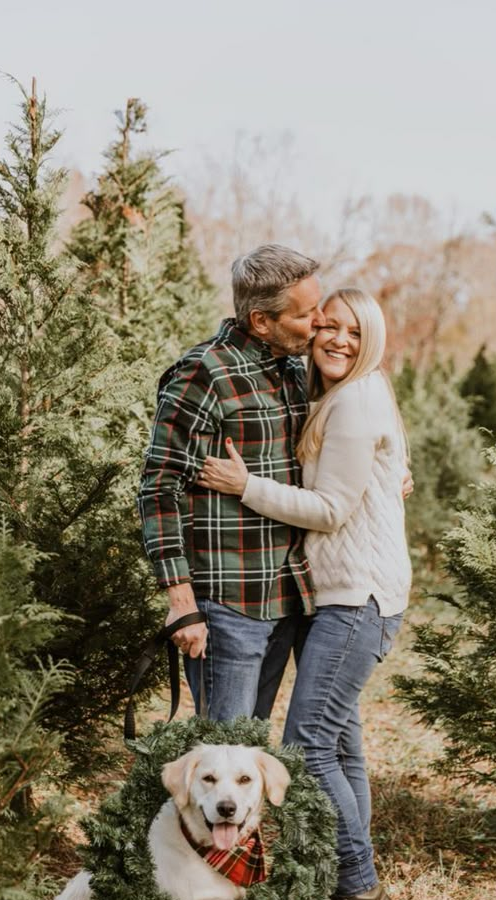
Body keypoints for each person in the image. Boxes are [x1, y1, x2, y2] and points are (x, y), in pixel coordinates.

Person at [198, 287, 412, 900]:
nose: (337, 339)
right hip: (348, 595)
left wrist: (244, 487)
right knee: (342, 747)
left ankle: (360, 894)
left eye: (353, 330)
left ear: (371, 338)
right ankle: (349, 890)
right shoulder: (341, 394)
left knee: (309, 746)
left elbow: (329, 508)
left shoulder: (355, 400)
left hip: (358, 599)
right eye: (326, 326)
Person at [137, 244, 326, 721]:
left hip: (288, 595)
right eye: (306, 314)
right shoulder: (205, 373)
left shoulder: (294, 369)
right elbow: (159, 488)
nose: (320, 321)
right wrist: (181, 602)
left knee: (247, 751)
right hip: (228, 605)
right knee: (224, 749)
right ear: (262, 321)